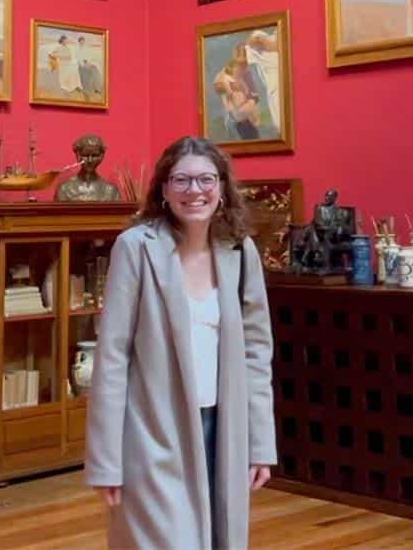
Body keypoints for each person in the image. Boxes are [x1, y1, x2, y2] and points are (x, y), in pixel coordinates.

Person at [85, 135, 277, 549]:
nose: (195, 192)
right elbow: (112, 355)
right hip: (153, 430)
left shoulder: (239, 251)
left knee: (217, 539)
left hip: (224, 427)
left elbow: (256, 354)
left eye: (206, 180)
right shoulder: (136, 247)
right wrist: (105, 461)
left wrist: (260, 443)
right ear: (164, 189)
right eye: (182, 181)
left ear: (222, 188)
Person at [55, 134, 121, 202]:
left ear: (101, 156)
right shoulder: (65, 189)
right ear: (78, 155)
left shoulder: (110, 191)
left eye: (94, 155)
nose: (90, 160)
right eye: (85, 155)